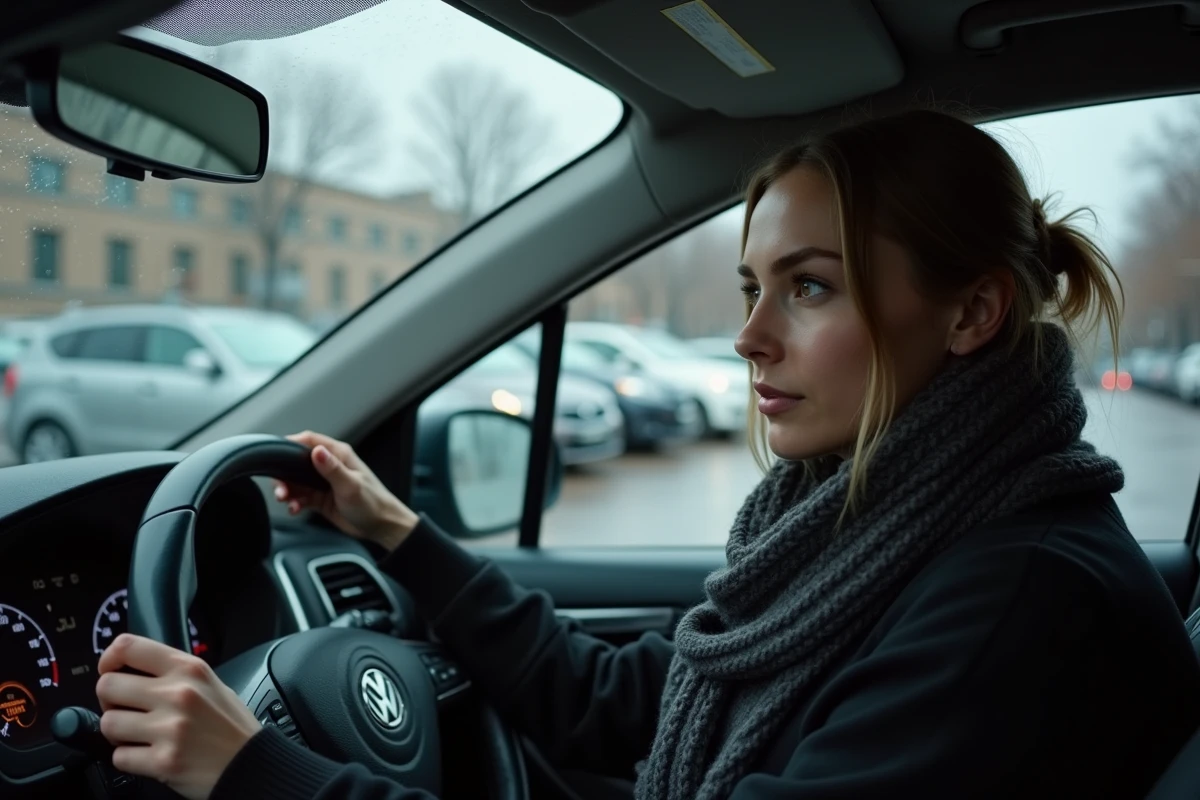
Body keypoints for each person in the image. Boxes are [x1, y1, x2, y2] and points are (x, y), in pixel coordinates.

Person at [95, 109, 1200, 800]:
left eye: (808, 285)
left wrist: (258, 770)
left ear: (971, 314)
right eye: (751, 286)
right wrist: (398, 532)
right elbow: (624, 697)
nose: (750, 334)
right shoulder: (867, 520)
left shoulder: (1015, 598)